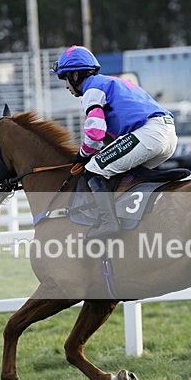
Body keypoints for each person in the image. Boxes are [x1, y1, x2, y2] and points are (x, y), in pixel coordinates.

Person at [50, 45, 177, 239]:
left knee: (93, 168)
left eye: (65, 78)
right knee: (120, 175)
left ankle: (109, 223)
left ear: (75, 75)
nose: (66, 85)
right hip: (166, 135)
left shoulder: (92, 89)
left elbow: (95, 135)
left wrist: (82, 155)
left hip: (151, 134)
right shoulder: (109, 82)